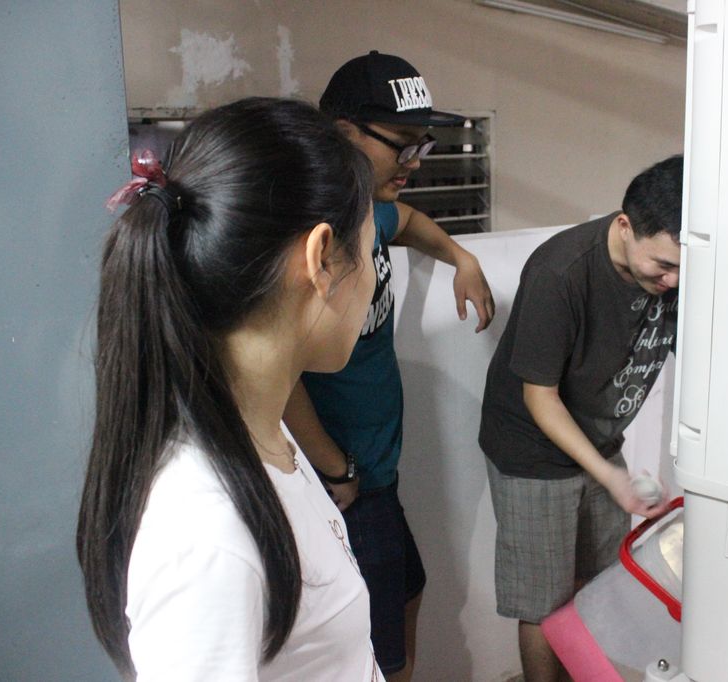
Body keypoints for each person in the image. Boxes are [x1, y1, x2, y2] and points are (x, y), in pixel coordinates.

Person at [76, 97, 382, 681]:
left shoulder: (259, 431)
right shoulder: (206, 534)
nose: (370, 279)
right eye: (368, 253)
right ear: (321, 258)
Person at [282, 51, 495, 681]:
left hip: (373, 471)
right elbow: (279, 371)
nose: (414, 162)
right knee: (376, 652)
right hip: (342, 477)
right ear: (344, 132)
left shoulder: (367, 211)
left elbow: (407, 220)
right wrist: (335, 467)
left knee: (407, 593)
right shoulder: (312, 238)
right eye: (402, 144)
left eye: (421, 146)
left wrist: (461, 257)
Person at [478, 155, 684, 682]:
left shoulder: (677, 274)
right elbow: (540, 398)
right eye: (663, 265)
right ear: (625, 226)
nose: (673, 279)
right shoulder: (561, 272)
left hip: (599, 441)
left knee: (601, 587)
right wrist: (611, 476)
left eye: (683, 267)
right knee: (543, 603)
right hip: (532, 452)